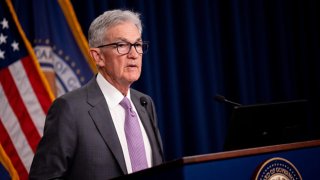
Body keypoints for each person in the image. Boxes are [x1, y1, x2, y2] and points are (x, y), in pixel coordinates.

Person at [29, 9, 164, 180]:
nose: (133, 54)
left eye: (137, 44)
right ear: (98, 56)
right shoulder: (70, 109)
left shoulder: (144, 104)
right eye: (121, 45)